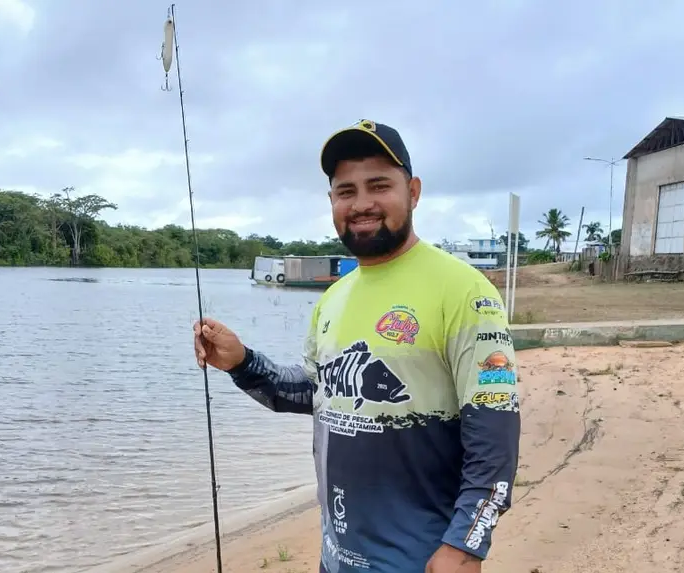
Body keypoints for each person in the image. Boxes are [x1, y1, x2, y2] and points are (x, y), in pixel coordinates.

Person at [193, 119, 520, 573]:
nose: (362, 203)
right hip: (337, 559)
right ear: (332, 202)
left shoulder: (465, 291)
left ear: (414, 191)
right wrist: (242, 363)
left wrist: (465, 546)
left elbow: (495, 434)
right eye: (346, 191)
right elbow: (316, 393)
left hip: (422, 560)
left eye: (379, 185)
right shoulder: (334, 297)